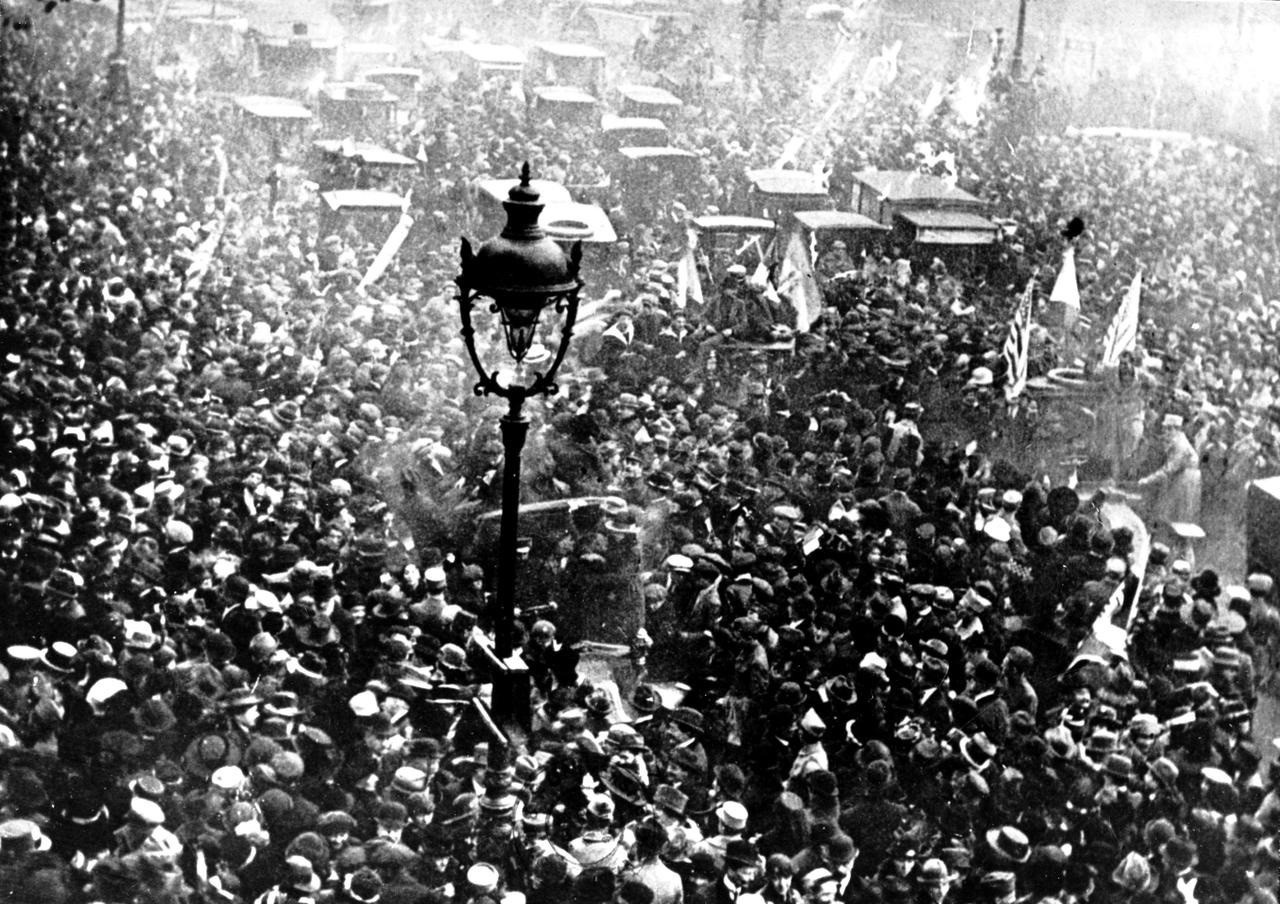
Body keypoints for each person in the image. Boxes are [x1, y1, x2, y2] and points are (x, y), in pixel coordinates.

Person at [1136, 413, 1202, 529]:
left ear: (1174, 429)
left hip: (1185, 481)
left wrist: (1147, 480)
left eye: (1167, 429)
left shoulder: (1180, 445)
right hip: (1181, 478)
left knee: (1176, 514)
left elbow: (1168, 469)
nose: (1164, 432)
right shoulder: (1176, 440)